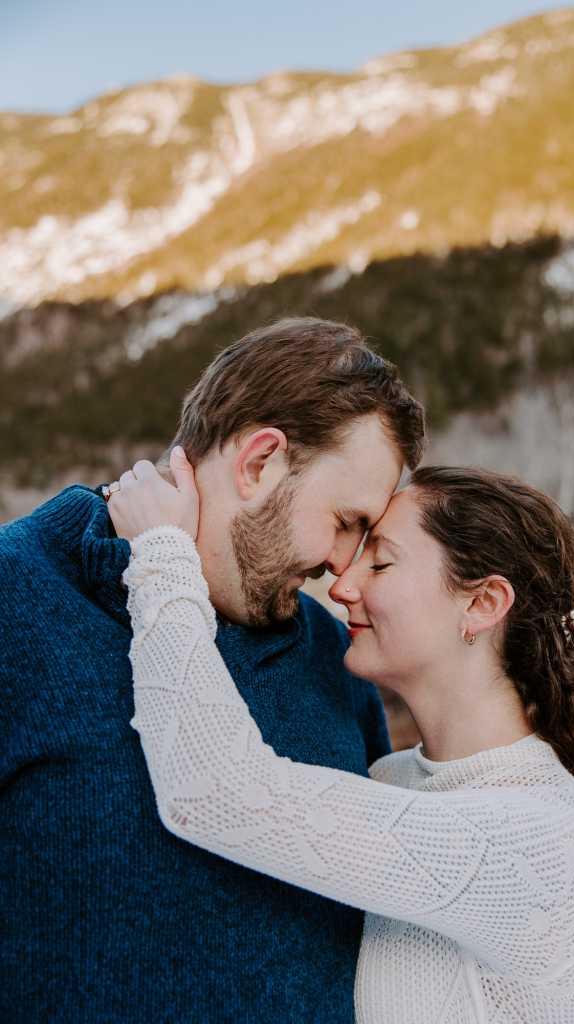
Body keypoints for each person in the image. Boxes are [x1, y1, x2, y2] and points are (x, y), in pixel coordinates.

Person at [109, 454, 574, 1024]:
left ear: (483, 603)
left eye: (381, 563)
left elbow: (217, 789)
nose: (342, 585)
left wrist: (163, 555)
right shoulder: (391, 779)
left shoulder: (547, 842)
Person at [0, 318, 425, 1023]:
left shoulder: (331, 655)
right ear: (260, 463)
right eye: (345, 520)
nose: (341, 565)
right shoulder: (15, 599)